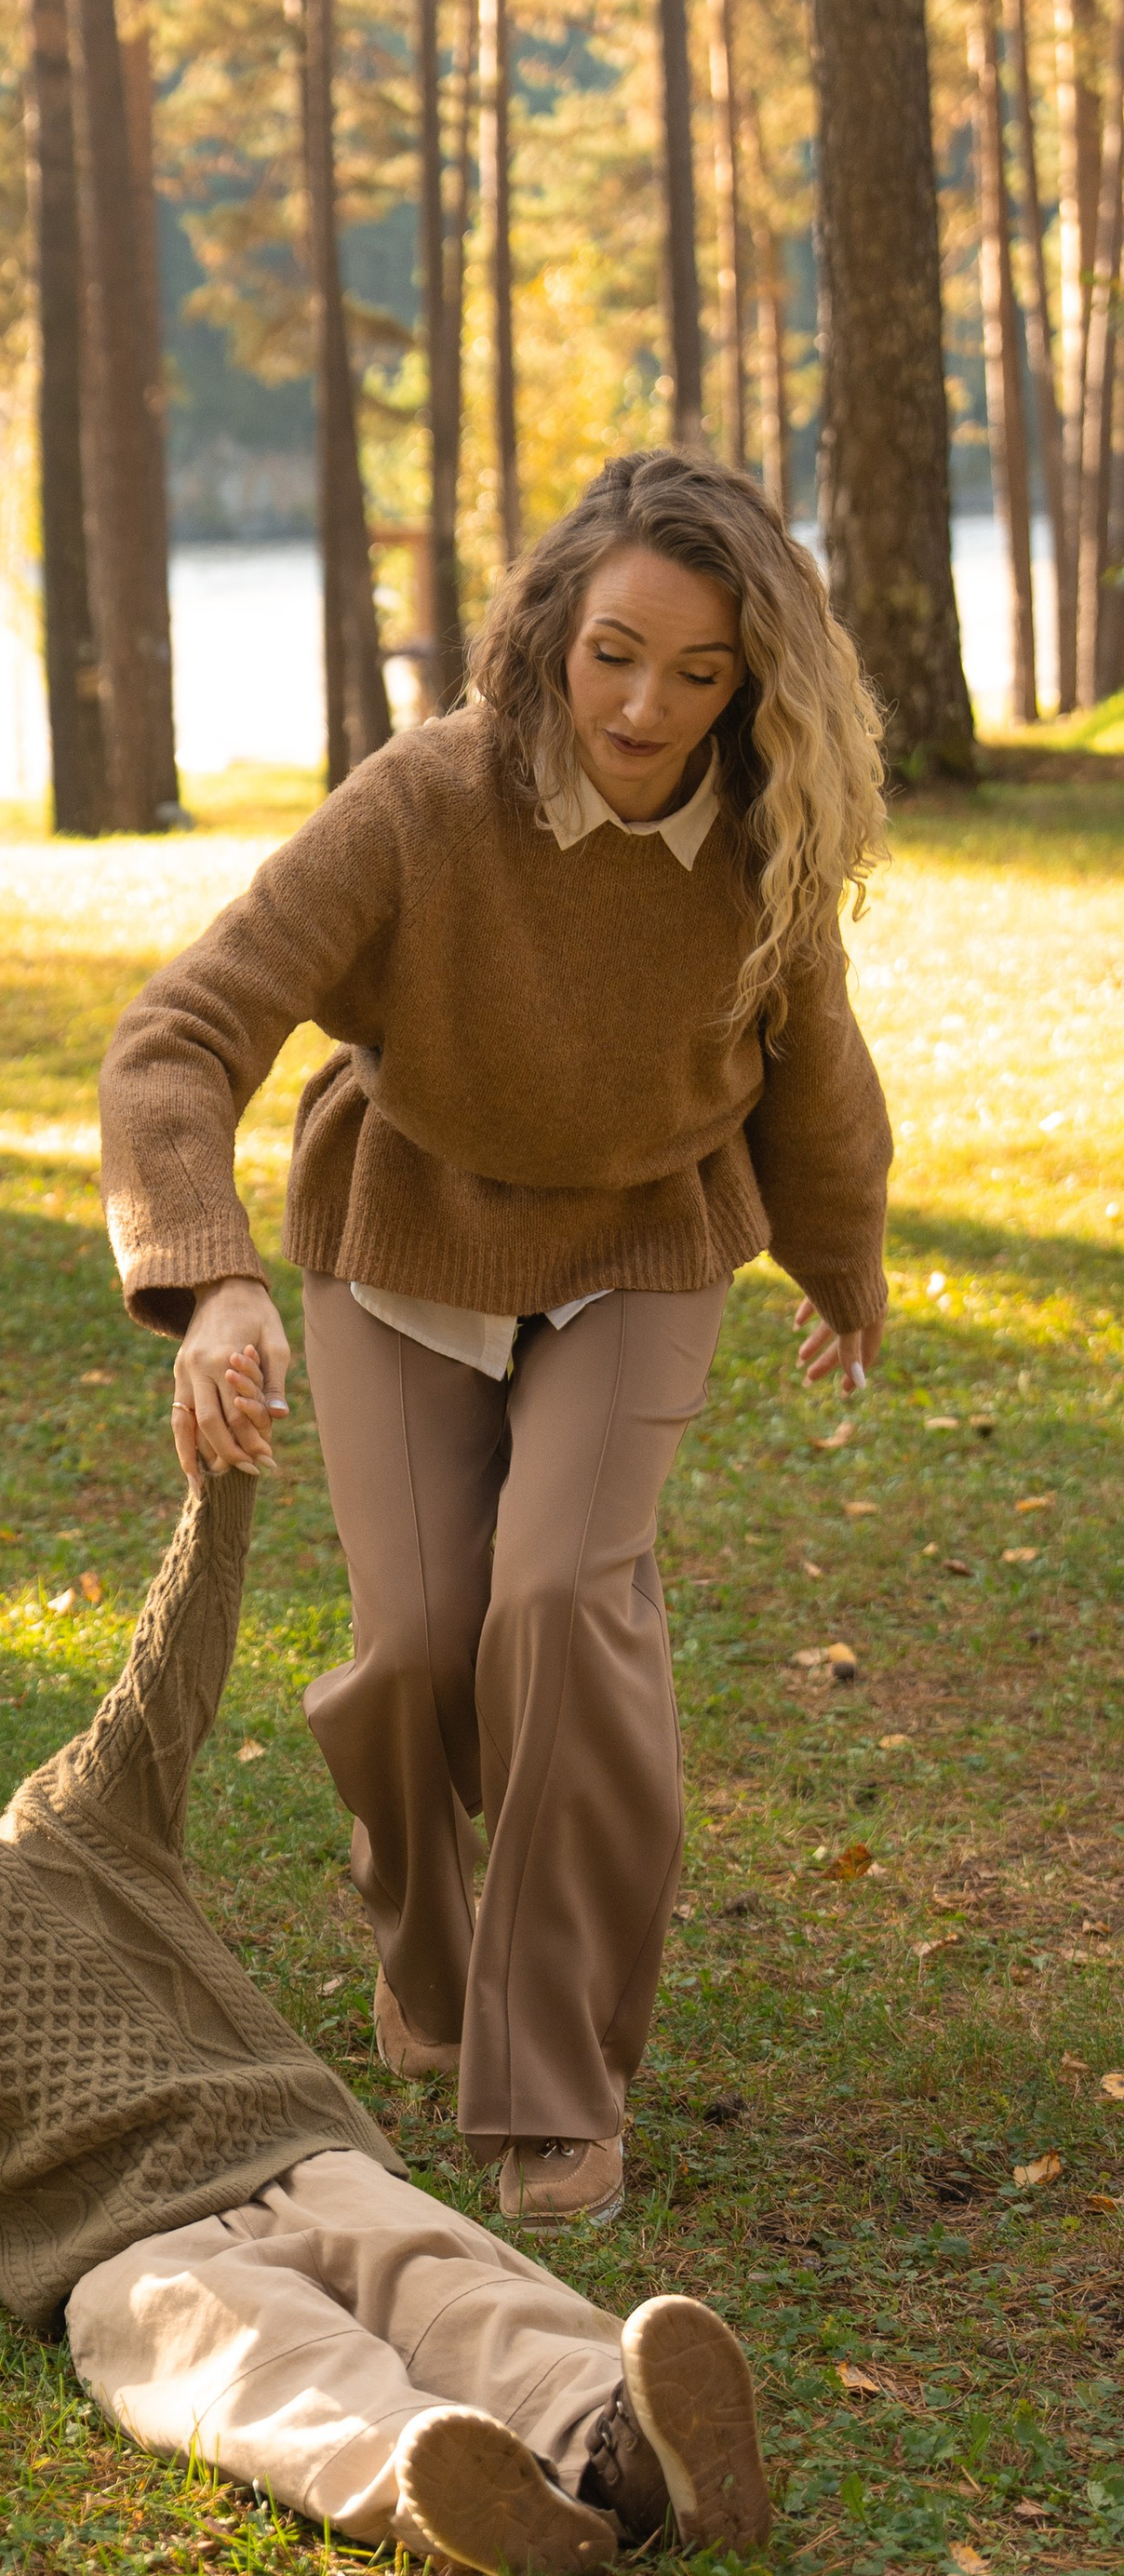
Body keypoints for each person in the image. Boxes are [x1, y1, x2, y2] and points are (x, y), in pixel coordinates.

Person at [99, 449, 893, 2227]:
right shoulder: (422, 803)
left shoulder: (763, 842)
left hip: (644, 1243)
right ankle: (428, 1952)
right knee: (417, 1647)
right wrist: (209, 1269)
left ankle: (557, 2083)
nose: (650, 705)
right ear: (551, 630)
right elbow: (179, 1035)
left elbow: (816, 1081)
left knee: (560, 1600)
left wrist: (844, 1267)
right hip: (406, 1234)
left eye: (702, 674)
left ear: (755, 681)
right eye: (619, 653)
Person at [0, 1401, 770, 2576]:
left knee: (446, 2286)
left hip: (296, 2157)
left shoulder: (71, 1830)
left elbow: (167, 1674)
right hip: (131, 2255)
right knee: (257, 2366)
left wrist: (221, 1491)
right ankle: (446, 2485)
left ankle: (622, 2445)